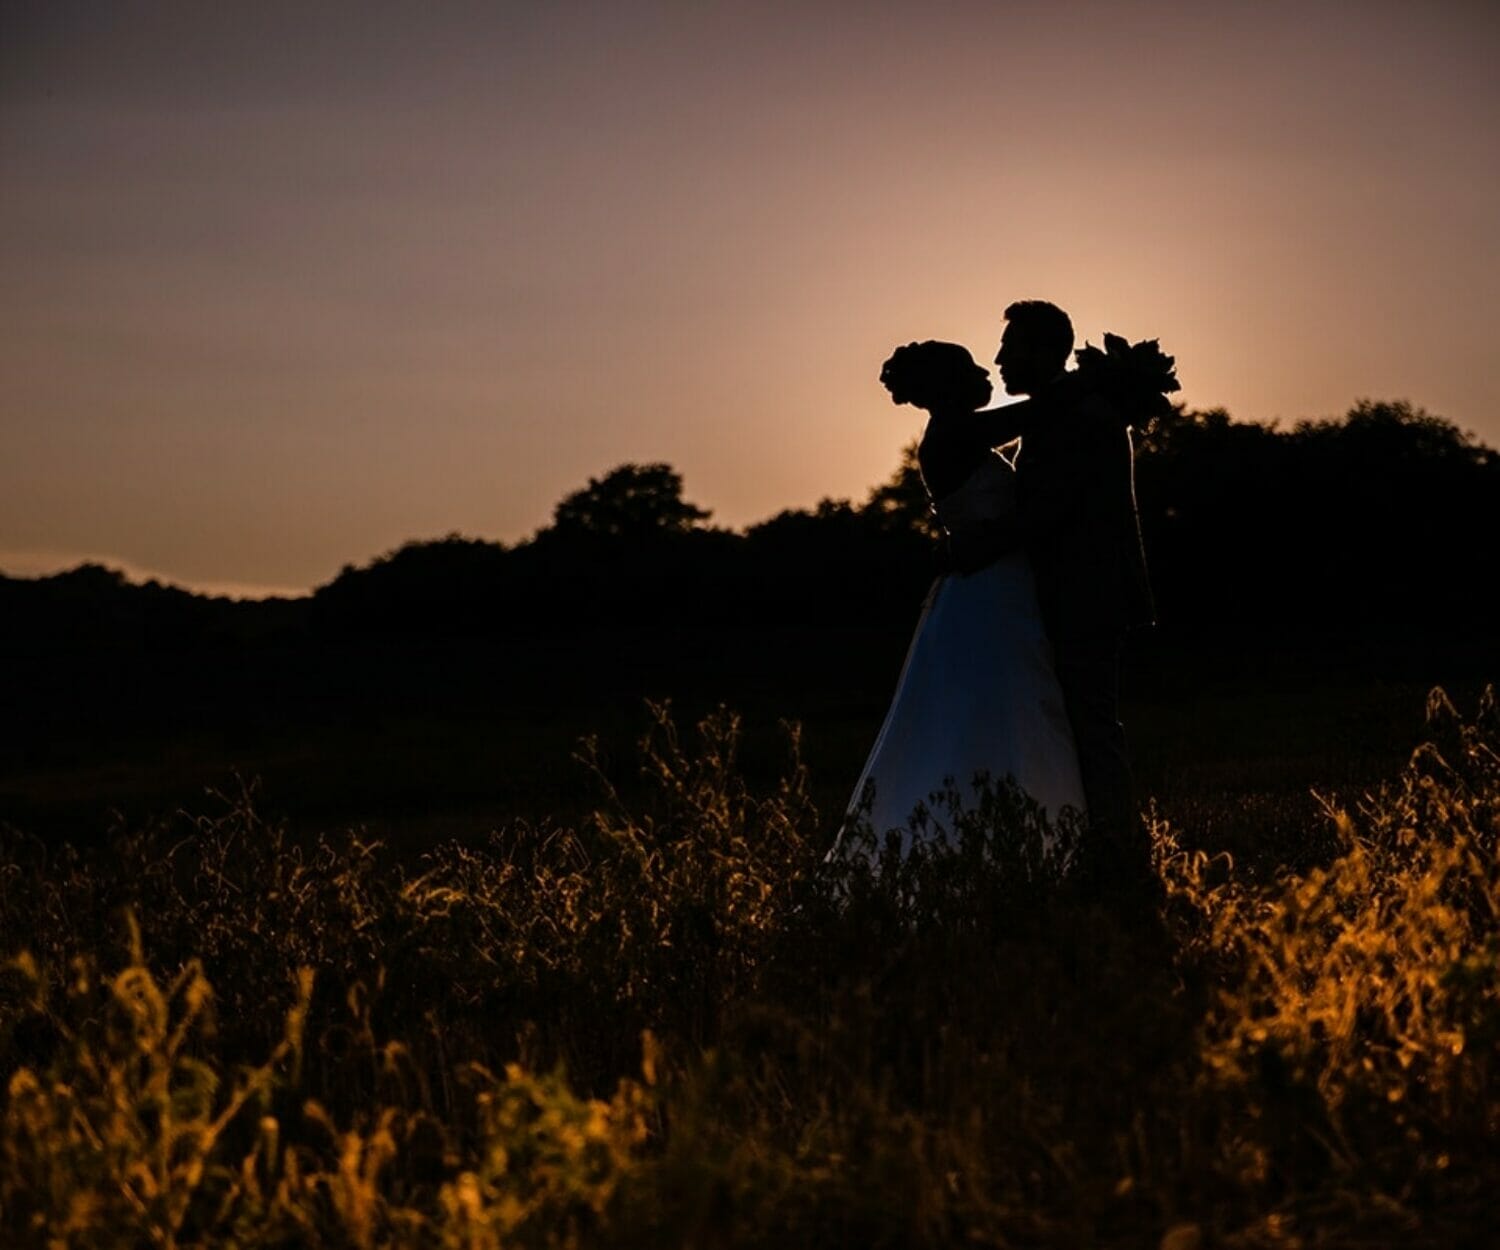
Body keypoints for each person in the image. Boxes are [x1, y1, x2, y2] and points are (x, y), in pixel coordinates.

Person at [829, 340, 1087, 862]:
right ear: (948, 383)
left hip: (998, 583)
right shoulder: (954, 431)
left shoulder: (961, 431)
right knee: (995, 709)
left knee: (1010, 706)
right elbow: (1043, 410)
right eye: (970, 367)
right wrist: (1106, 376)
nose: (984, 373)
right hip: (985, 591)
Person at [961, 301, 1165, 901]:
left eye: (1011, 346)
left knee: (1092, 725)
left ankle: (1118, 857)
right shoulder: (1066, 410)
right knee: (1076, 724)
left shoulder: (1080, 417)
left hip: (1087, 597)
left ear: (1044, 351)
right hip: (1070, 595)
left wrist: (969, 550)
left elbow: (1050, 513)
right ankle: (1093, 851)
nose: (998, 358)